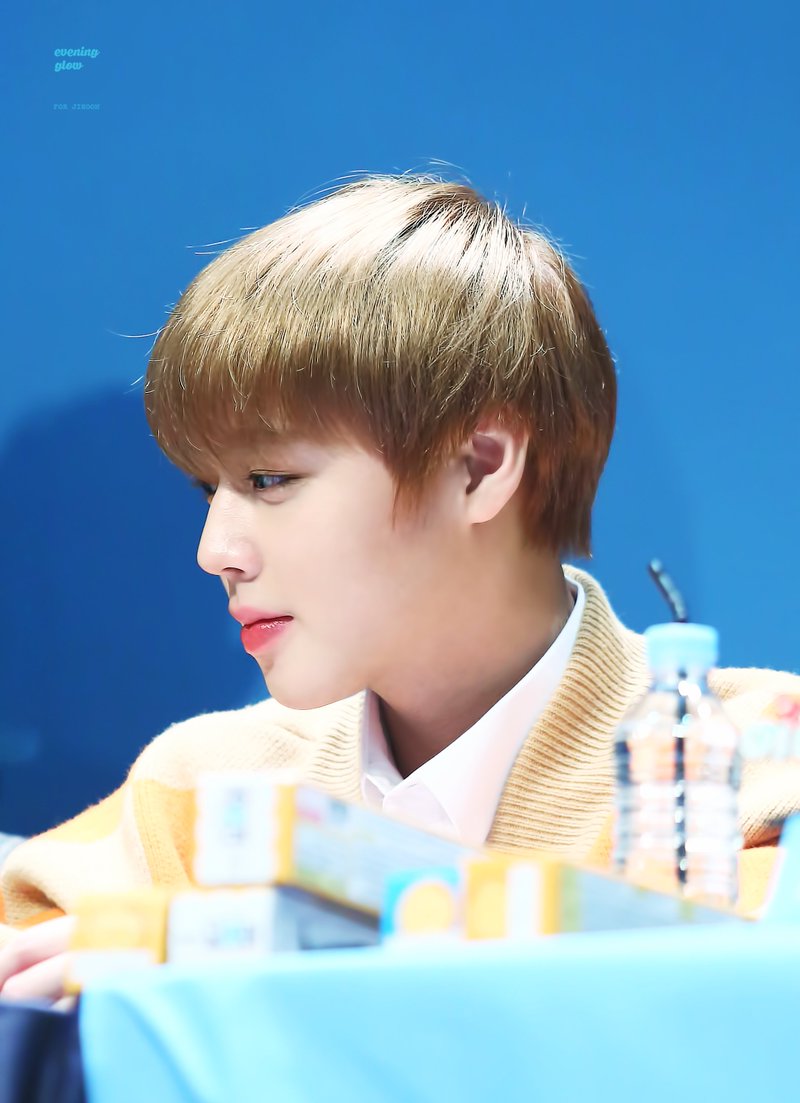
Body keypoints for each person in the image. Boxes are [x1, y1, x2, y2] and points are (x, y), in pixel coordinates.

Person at [1, 173, 797, 1002]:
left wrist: (236, 985)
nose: (216, 552)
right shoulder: (200, 793)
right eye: (211, 491)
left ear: (478, 467)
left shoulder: (767, 773)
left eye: (270, 479)